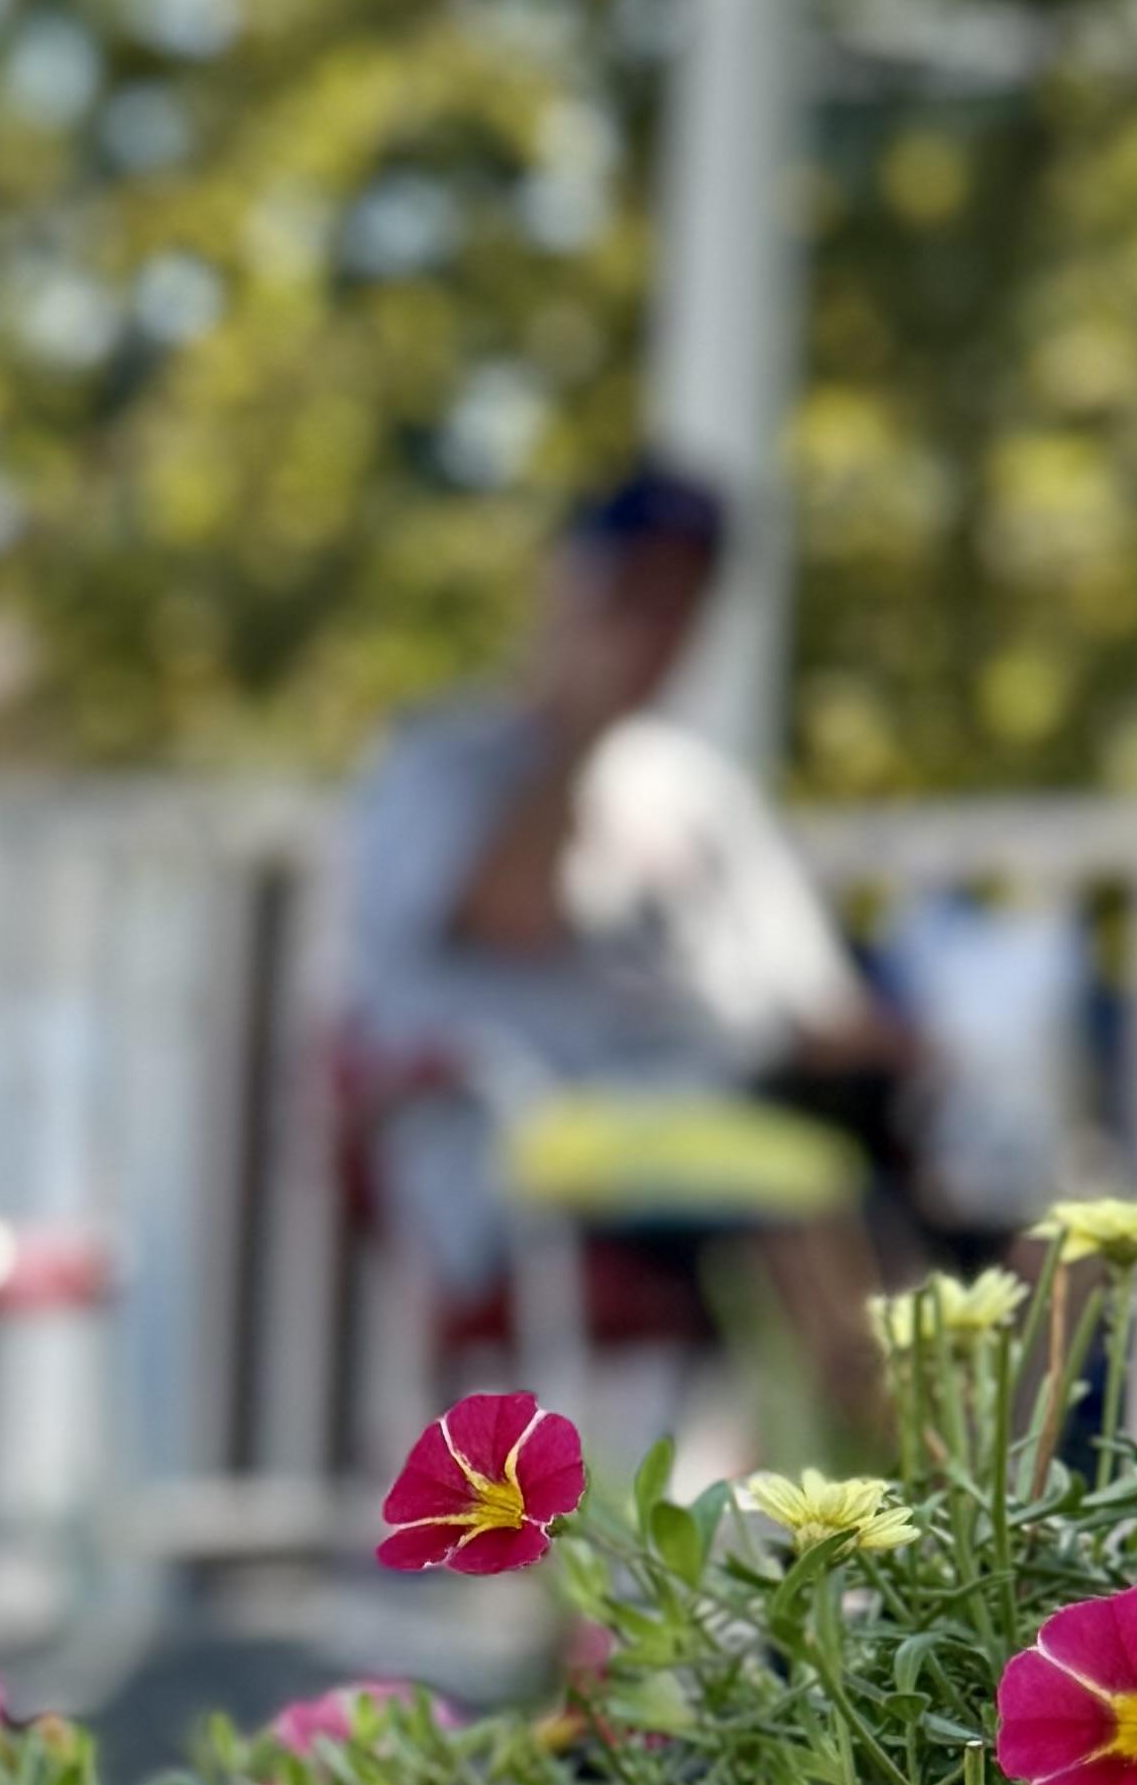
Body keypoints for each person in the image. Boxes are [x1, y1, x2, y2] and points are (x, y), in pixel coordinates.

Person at [343, 461, 905, 1428]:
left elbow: (815, 1006)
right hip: (534, 1159)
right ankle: (902, 1527)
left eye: (683, 600)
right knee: (801, 1197)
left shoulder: (700, 788)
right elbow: (513, 914)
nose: (659, 627)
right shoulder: (441, 760)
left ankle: (982, 1513)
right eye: (632, 594)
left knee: (1011, 1230)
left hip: (751, 1129)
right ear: (564, 589)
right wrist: (580, 728)